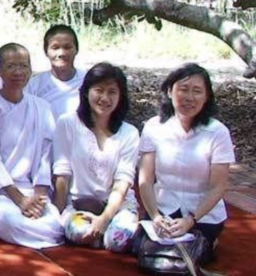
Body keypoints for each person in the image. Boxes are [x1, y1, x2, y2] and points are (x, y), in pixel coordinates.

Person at [0, 43, 65, 249]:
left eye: (24, 66)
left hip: (31, 188)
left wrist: (38, 198)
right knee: (10, 222)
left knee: (55, 223)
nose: (18, 72)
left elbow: (45, 156)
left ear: (31, 70)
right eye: (11, 66)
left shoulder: (42, 107)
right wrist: (20, 200)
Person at [138, 63, 235, 260]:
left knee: (191, 255)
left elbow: (218, 187)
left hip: (202, 214)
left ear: (207, 97)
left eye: (197, 91)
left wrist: (190, 221)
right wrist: (155, 216)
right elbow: (145, 181)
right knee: (142, 250)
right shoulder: (153, 127)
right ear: (169, 91)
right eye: (183, 89)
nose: (189, 97)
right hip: (164, 209)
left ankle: (209, 242)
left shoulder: (217, 133)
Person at [52, 63, 140, 253]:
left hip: (116, 207)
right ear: (86, 92)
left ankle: (106, 233)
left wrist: (105, 218)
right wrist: (57, 214)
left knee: (119, 240)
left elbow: (123, 182)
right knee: (79, 232)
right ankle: (98, 236)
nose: (105, 98)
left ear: (121, 96)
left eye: (112, 92)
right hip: (77, 205)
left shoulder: (129, 133)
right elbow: (62, 172)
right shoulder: (67, 123)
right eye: (99, 90)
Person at [27, 24, 87, 121]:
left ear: (76, 49)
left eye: (67, 47)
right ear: (46, 51)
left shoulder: (88, 80)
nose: (61, 53)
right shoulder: (34, 86)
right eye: (55, 48)